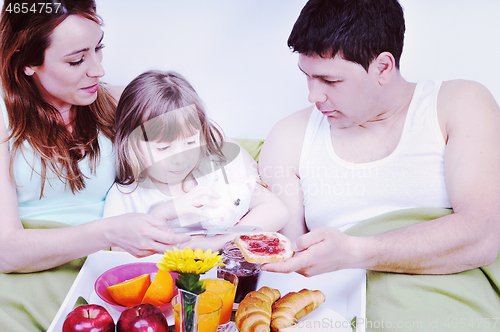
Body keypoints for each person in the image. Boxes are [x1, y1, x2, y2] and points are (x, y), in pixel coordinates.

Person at [259, 0, 500, 327]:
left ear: (383, 67)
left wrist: (354, 252)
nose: (313, 96)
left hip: (441, 310)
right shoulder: (289, 137)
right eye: (307, 76)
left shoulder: (457, 104)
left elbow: (482, 237)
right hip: (331, 314)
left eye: (330, 81)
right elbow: (287, 263)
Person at [0, 0, 191, 274]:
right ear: (26, 61)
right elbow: (6, 252)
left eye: (98, 48)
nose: (98, 70)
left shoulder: (114, 101)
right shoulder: (4, 119)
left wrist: (255, 182)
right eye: (76, 60)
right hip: (32, 276)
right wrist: (108, 233)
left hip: (114, 267)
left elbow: (212, 145)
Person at [103, 69, 289, 252]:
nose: (181, 158)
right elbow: (120, 257)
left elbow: (276, 211)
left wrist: (218, 243)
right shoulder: (126, 196)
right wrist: (160, 215)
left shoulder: (215, 169)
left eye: (190, 142)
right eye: (164, 148)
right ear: (131, 143)